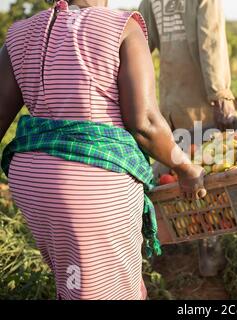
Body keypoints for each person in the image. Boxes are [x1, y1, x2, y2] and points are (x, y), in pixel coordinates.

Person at [0, 0, 205, 300]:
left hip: (33, 184)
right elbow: (145, 123)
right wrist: (185, 167)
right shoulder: (122, 28)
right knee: (105, 290)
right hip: (93, 187)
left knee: (76, 282)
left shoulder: (20, 33)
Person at [138, 0, 237, 277]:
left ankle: (158, 245)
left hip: (169, 104)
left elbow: (139, 41)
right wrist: (221, 94)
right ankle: (209, 255)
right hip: (200, 104)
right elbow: (211, 42)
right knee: (209, 180)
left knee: (170, 172)